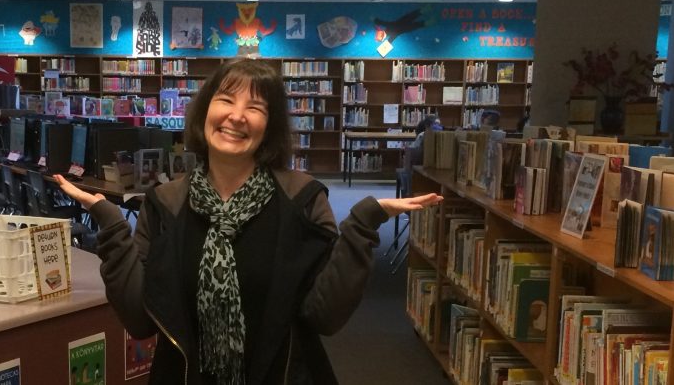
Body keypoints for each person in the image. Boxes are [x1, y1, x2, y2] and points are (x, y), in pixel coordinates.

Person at [54, 59, 442, 384]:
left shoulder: (302, 200)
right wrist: (109, 221)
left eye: (255, 108)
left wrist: (362, 223)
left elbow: (324, 315)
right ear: (206, 110)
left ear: (268, 126)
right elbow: (139, 319)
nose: (237, 116)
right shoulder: (166, 204)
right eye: (225, 100)